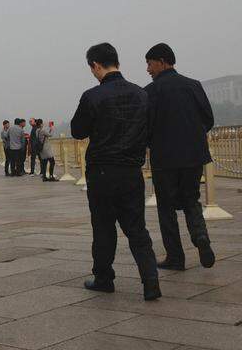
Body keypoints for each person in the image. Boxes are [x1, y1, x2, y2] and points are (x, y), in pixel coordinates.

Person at [71, 42, 160, 301]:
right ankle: (151, 280)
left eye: (92, 68)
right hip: (132, 171)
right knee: (136, 228)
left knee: (103, 227)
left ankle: (104, 278)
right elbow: (150, 130)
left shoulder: (92, 96)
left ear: (96, 65)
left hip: (101, 172)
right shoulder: (142, 95)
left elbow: (78, 131)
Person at [144, 43, 216, 270]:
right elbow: (208, 119)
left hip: (165, 159)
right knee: (191, 200)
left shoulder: (151, 91)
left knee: (166, 208)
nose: (148, 69)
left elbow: (145, 126)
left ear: (162, 62)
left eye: (149, 63)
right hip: (193, 157)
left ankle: (175, 257)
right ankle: (201, 238)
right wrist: (191, 136)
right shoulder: (193, 85)